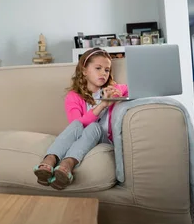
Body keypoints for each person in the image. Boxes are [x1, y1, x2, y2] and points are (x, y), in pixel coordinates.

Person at [33, 47, 128, 190]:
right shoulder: (73, 96)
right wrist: (102, 105)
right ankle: (50, 160)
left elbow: (136, 88)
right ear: (84, 71)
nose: (103, 73)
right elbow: (77, 125)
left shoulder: (112, 91)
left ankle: (67, 164)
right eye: (98, 68)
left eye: (107, 70)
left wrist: (117, 92)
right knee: (78, 125)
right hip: (82, 137)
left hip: (104, 139)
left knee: (94, 127)